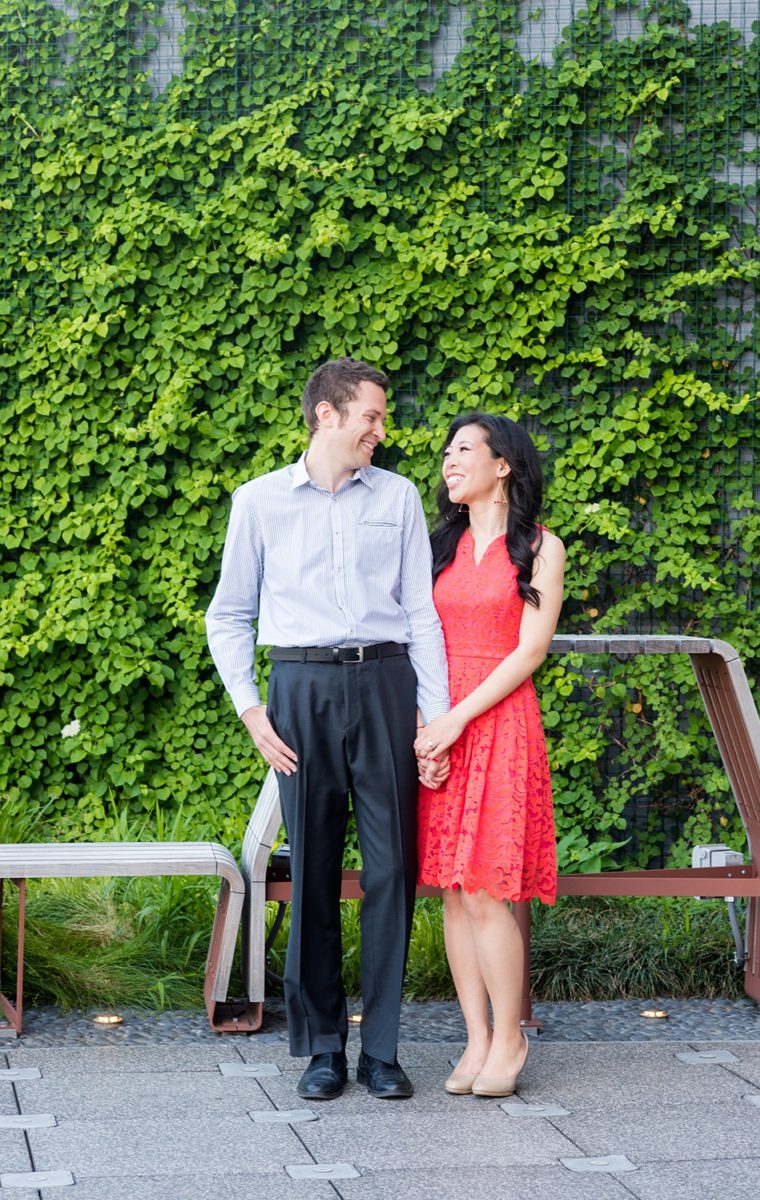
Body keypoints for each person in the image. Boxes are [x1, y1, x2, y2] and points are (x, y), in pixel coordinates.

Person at [206, 357, 449, 1101]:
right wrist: (252, 711)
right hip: (298, 689)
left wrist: (432, 721)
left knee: (392, 871)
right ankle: (320, 1050)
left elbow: (419, 613)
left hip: (384, 684)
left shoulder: (399, 497)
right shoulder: (259, 502)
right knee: (310, 870)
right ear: (327, 415)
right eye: (371, 416)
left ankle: (381, 1049)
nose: (383, 429)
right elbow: (228, 615)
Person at [415, 412, 565, 1098]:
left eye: (463, 450)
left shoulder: (539, 546)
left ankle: (511, 1035)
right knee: (450, 890)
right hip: (440, 724)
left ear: (502, 464)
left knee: (485, 890)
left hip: (497, 723)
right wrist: (427, 730)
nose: (449, 461)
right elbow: (417, 641)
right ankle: (474, 1037)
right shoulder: (435, 548)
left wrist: (453, 720)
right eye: (446, 452)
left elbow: (529, 652)